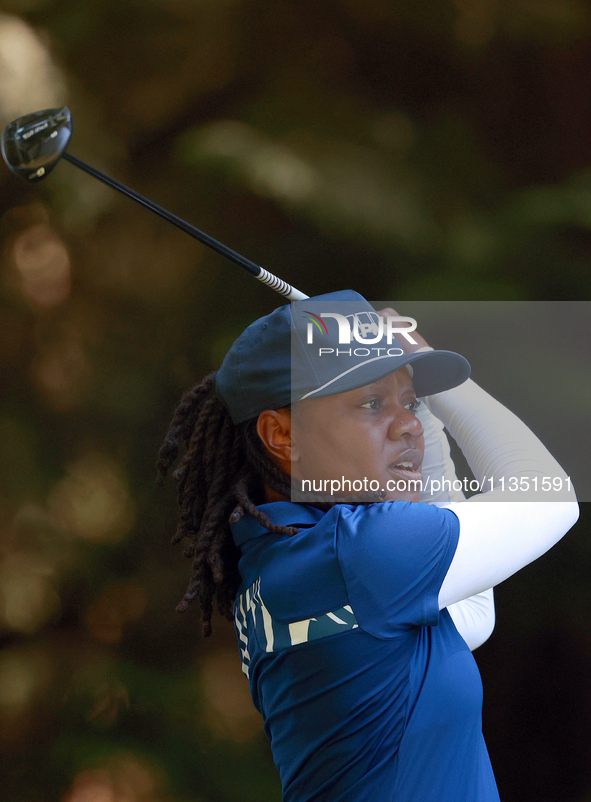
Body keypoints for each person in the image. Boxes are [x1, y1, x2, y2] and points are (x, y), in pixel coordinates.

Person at [157, 290, 579, 801]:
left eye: (411, 402)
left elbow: (470, 613)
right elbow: (551, 498)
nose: (406, 424)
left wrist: (418, 415)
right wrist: (440, 380)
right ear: (281, 435)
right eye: (371, 403)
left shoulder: (284, 559)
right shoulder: (359, 555)